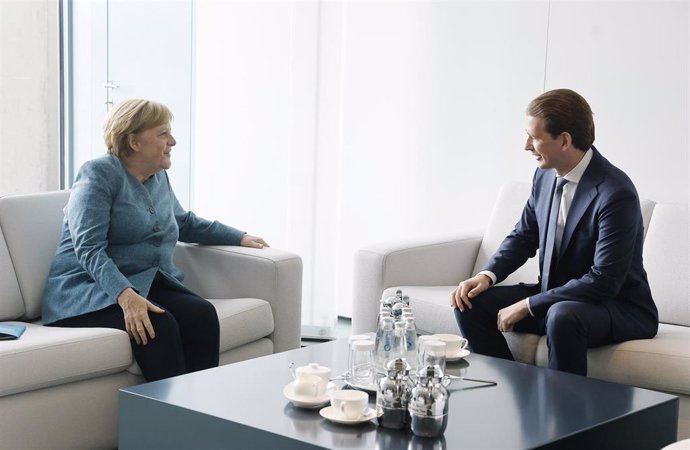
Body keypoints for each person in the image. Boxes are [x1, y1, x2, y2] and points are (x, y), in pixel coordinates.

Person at [42, 99, 268, 382]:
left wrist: (239, 236)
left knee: (201, 314)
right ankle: (168, 421)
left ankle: (202, 411)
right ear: (134, 141)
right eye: (163, 134)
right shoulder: (98, 174)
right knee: (157, 325)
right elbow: (88, 249)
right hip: (85, 293)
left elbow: (182, 222)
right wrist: (126, 297)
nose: (172, 141)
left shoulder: (157, 176)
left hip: (143, 283)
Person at [451, 89, 658, 376]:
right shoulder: (544, 175)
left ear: (564, 140)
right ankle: (514, 392)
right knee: (469, 303)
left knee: (562, 315)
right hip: (557, 297)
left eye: (534, 137)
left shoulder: (615, 192)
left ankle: (565, 415)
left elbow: (604, 281)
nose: (526, 146)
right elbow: (524, 236)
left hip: (614, 306)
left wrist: (528, 304)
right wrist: (486, 276)